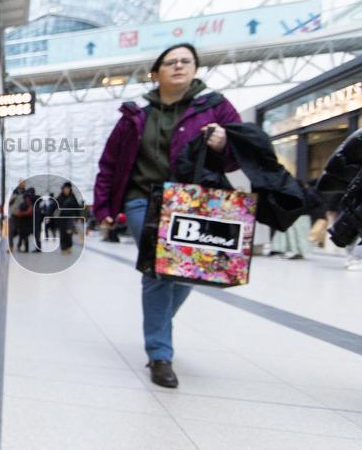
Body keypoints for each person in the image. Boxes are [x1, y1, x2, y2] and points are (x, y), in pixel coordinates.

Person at [93, 43, 241, 388]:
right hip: (143, 199)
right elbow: (109, 164)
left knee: (186, 272)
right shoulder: (135, 116)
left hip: (193, 202)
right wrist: (103, 208)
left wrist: (223, 143)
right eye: (170, 62)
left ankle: (158, 323)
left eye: (185, 62)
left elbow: (245, 153)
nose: (178, 67)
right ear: (156, 73)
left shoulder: (216, 107)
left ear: (195, 68)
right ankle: (160, 353)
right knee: (159, 270)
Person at [56, 182, 81, 254]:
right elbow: (55, 206)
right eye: (65, 188)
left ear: (70, 189)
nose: (66, 190)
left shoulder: (73, 197)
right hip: (62, 218)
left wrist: (78, 217)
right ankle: (63, 248)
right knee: (62, 233)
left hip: (70, 217)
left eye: (68, 188)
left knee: (69, 233)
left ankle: (69, 246)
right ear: (63, 189)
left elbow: (77, 208)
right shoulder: (59, 197)